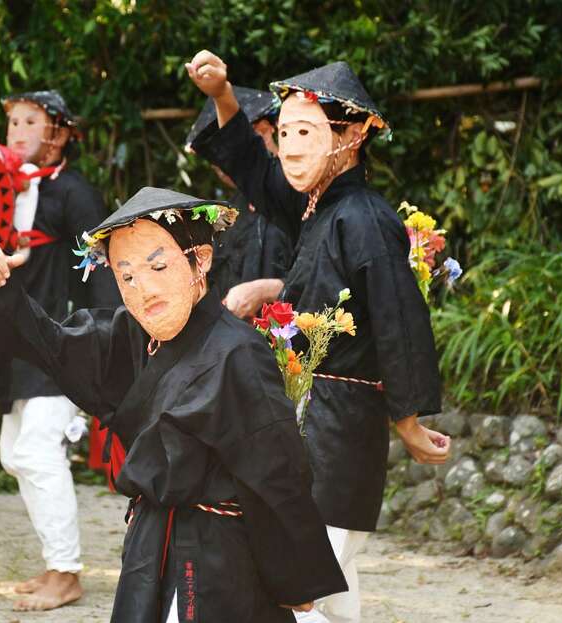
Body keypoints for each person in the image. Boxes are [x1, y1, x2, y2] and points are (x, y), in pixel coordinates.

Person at [0, 186, 347, 622]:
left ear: (201, 260)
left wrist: (297, 578)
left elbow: (277, 473)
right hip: (149, 542)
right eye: (126, 276)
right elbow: (54, 346)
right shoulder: (132, 335)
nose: (144, 289)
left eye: (158, 266)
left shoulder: (237, 352)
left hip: (220, 554)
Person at [186, 51, 451, 622]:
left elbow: (400, 321)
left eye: (306, 131)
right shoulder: (317, 205)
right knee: (330, 590)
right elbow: (257, 173)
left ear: (350, 135)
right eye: (284, 133)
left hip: (342, 433)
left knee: (298, 586)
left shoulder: (364, 219)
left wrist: (408, 420)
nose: (290, 147)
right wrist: (224, 95)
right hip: (312, 421)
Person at [0, 89, 120, 612]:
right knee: (15, 454)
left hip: (65, 341)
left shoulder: (75, 194)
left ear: (57, 133)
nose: (16, 130)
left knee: (37, 450)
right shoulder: (3, 191)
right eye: (11, 120)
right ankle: (56, 561)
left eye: (30, 121)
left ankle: (67, 573)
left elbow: (102, 269)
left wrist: (106, 340)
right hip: (22, 342)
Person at [185, 87, 291, 318]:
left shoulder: (305, 197)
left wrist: (268, 290)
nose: (225, 173)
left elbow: (327, 282)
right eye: (218, 167)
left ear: (264, 131)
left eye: (229, 163)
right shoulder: (230, 211)